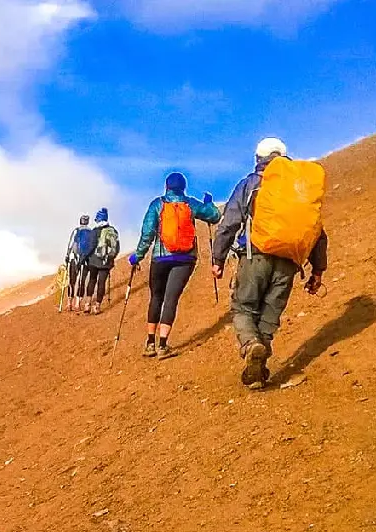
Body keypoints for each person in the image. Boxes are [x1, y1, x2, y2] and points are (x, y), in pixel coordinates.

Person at [211, 138, 328, 389]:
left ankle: (251, 345)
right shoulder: (299, 187)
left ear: (258, 159)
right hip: (289, 261)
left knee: (243, 308)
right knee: (269, 317)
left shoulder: (250, 184)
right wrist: (317, 270)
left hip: (256, 255)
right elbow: (317, 230)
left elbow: (230, 222)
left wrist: (217, 258)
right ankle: (257, 371)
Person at [129, 172, 220, 359]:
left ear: (166, 187)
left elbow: (147, 233)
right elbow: (214, 216)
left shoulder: (157, 204)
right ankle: (163, 345)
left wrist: (137, 256)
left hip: (160, 258)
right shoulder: (190, 203)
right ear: (184, 187)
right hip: (185, 259)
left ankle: (150, 343)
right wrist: (209, 203)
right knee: (171, 299)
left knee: (156, 297)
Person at [82, 208, 120, 314]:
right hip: (106, 262)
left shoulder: (94, 231)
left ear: (98, 219)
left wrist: (84, 258)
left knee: (92, 280)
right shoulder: (113, 231)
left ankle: (87, 304)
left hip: (94, 261)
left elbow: (90, 246)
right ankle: (97, 306)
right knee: (101, 283)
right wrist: (111, 258)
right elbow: (116, 248)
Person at [64, 214, 95, 312]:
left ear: (80, 221)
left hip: (75, 259)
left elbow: (71, 245)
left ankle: (69, 303)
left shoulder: (76, 231)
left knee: (72, 281)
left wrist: (67, 256)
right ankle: (77, 303)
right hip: (86, 260)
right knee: (82, 281)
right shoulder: (91, 233)